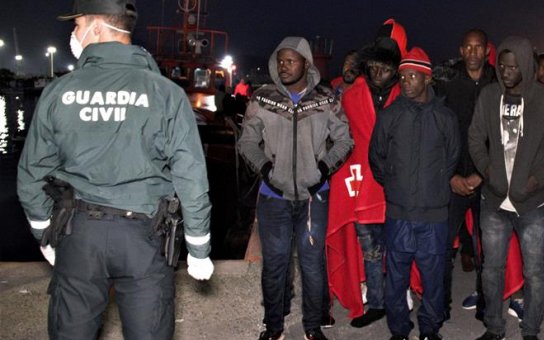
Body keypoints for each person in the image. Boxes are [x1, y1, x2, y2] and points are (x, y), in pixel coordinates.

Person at [16, 1, 214, 339]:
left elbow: (31, 175)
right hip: (146, 238)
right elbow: (191, 176)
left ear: (95, 27)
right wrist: (199, 248)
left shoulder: (58, 92)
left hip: (77, 236)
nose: (74, 34)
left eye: (76, 26)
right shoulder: (166, 93)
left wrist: (44, 235)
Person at [237, 36, 353, 340]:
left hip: (314, 197)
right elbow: (247, 142)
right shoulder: (263, 98)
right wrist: (265, 168)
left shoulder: (326, 99)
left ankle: (312, 328)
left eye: (290, 60)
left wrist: (324, 169)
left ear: (306, 63)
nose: (283, 66)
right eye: (280, 60)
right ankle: (273, 327)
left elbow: (345, 140)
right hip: (273, 197)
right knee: (274, 265)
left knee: (313, 265)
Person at [468, 36, 544, 340]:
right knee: (491, 269)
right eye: (501, 64)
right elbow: (475, 137)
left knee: (534, 273)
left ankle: (530, 331)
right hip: (494, 201)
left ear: (527, 66)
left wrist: (539, 178)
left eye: (513, 66)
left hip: (533, 203)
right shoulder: (489, 96)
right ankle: (494, 328)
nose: (506, 71)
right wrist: (487, 169)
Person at [370, 46, 459, 340]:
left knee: (433, 278)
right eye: (402, 76)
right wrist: (395, 184)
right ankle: (399, 330)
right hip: (399, 212)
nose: (405, 81)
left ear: (427, 79)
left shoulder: (445, 117)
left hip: (434, 215)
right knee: (396, 277)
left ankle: (430, 330)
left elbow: (452, 159)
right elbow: (377, 157)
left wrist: (432, 184)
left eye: (412, 76)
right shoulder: (390, 115)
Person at [326, 18, 408, 328]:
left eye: (384, 68)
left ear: (395, 68)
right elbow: (342, 139)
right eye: (372, 66)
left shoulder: (407, 94)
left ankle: (397, 300)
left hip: (398, 190)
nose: (377, 73)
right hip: (361, 187)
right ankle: (376, 303)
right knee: (371, 252)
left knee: (400, 251)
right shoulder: (351, 95)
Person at [433, 28, 496, 322]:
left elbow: (505, 137)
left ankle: (487, 302)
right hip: (452, 177)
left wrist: (484, 175)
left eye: (478, 47)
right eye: (467, 47)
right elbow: (434, 133)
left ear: (486, 50)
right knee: (444, 246)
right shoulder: (445, 81)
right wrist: (449, 176)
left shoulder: (498, 82)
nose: (473, 53)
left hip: (487, 179)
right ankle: (440, 304)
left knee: (489, 246)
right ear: (461, 50)